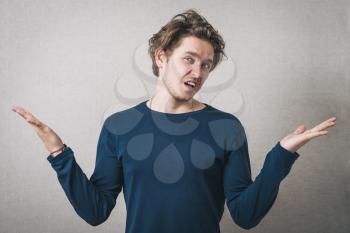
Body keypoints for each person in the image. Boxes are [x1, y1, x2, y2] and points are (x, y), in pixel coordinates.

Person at [12, 9, 336, 233]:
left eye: (207, 65)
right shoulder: (119, 127)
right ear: (162, 57)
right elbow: (95, 211)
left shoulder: (226, 128)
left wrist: (281, 154)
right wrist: (59, 153)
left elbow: (246, 215)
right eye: (190, 59)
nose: (198, 73)